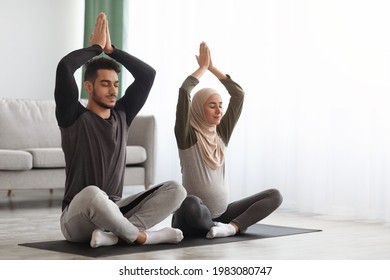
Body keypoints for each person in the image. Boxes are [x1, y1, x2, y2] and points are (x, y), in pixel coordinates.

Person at [54, 12, 186, 248]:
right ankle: (142, 237)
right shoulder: (72, 116)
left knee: (176, 190)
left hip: (116, 209)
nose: (113, 90)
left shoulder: (123, 114)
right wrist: (96, 48)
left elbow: (148, 75)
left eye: (116, 84)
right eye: (105, 84)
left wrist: (112, 50)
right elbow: (65, 68)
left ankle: (115, 235)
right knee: (94, 194)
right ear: (88, 86)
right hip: (77, 216)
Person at [171, 42, 283, 239]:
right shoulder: (186, 134)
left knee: (274, 195)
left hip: (223, 215)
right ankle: (216, 227)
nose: (219, 110)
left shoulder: (221, 133)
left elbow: (238, 95)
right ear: (198, 108)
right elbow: (184, 93)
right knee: (190, 203)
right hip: (192, 216)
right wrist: (202, 69)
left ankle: (231, 227)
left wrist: (214, 68)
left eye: (220, 106)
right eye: (212, 106)